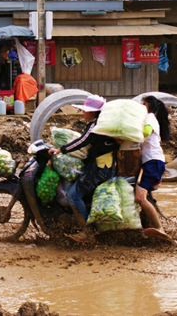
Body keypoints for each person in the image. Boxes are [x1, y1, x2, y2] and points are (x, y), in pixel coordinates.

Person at [48, 94, 119, 243]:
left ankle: (88, 233)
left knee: (73, 195)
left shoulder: (95, 126)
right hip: (106, 164)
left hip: (100, 167)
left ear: (93, 112)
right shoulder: (103, 124)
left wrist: (60, 150)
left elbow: (81, 141)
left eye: (85, 110)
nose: (83, 113)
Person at [138, 96, 173, 242]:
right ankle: (153, 222)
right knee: (146, 196)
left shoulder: (150, 118)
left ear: (146, 105)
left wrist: (129, 135)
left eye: (142, 104)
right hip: (152, 161)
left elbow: (145, 133)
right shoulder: (150, 118)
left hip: (152, 161)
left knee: (139, 197)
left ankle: (160, 228)